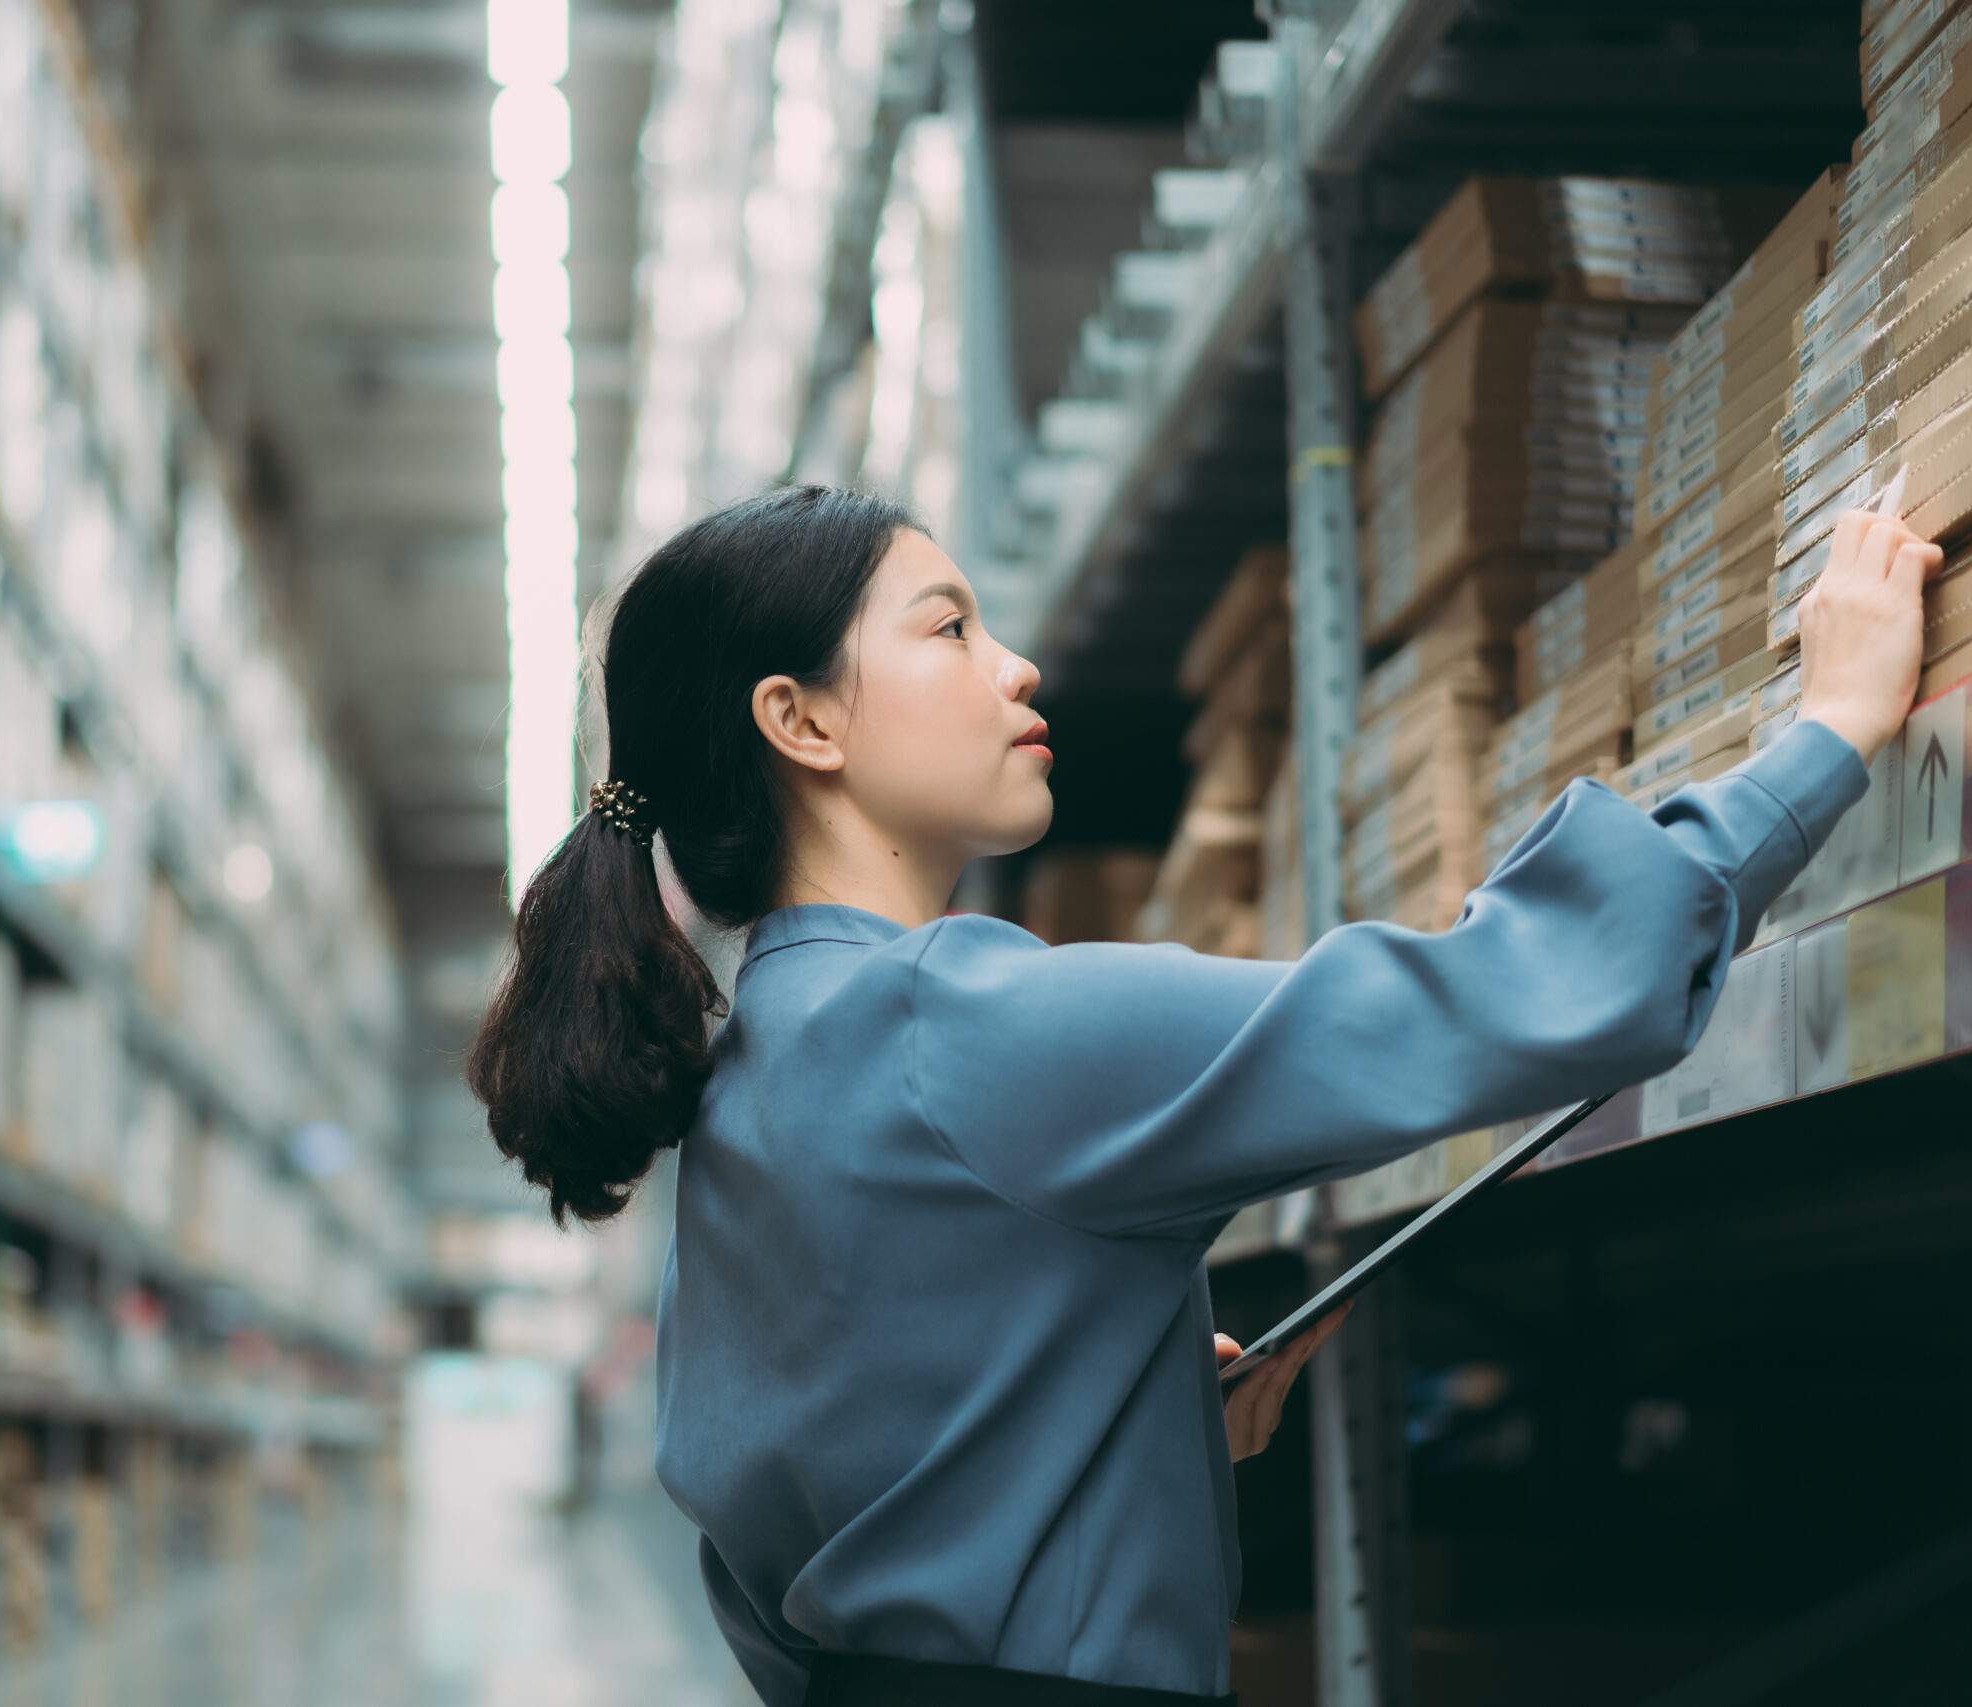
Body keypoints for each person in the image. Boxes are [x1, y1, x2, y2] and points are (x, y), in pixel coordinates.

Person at [467, 485, 1938, 1706]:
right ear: (802, 724)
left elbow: (785, 1516)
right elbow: (1511, 995)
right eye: (951, 629)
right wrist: (1828, 735)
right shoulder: (969, 1023)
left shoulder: (742, 1096)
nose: (1016, 666)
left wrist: (1119, 1424)